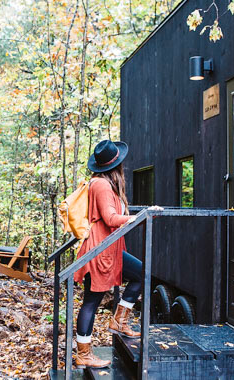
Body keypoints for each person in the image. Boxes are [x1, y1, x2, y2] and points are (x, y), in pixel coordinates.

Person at [73, 140, 158, 369]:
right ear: (116, 165)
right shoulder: (101, 185)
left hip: (111, 248)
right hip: (100, 250)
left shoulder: (105, 184)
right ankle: (83, 353)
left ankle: (119, 320)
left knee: (141, 272)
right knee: (91, 301)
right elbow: (110, 219)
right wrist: (141, 217)